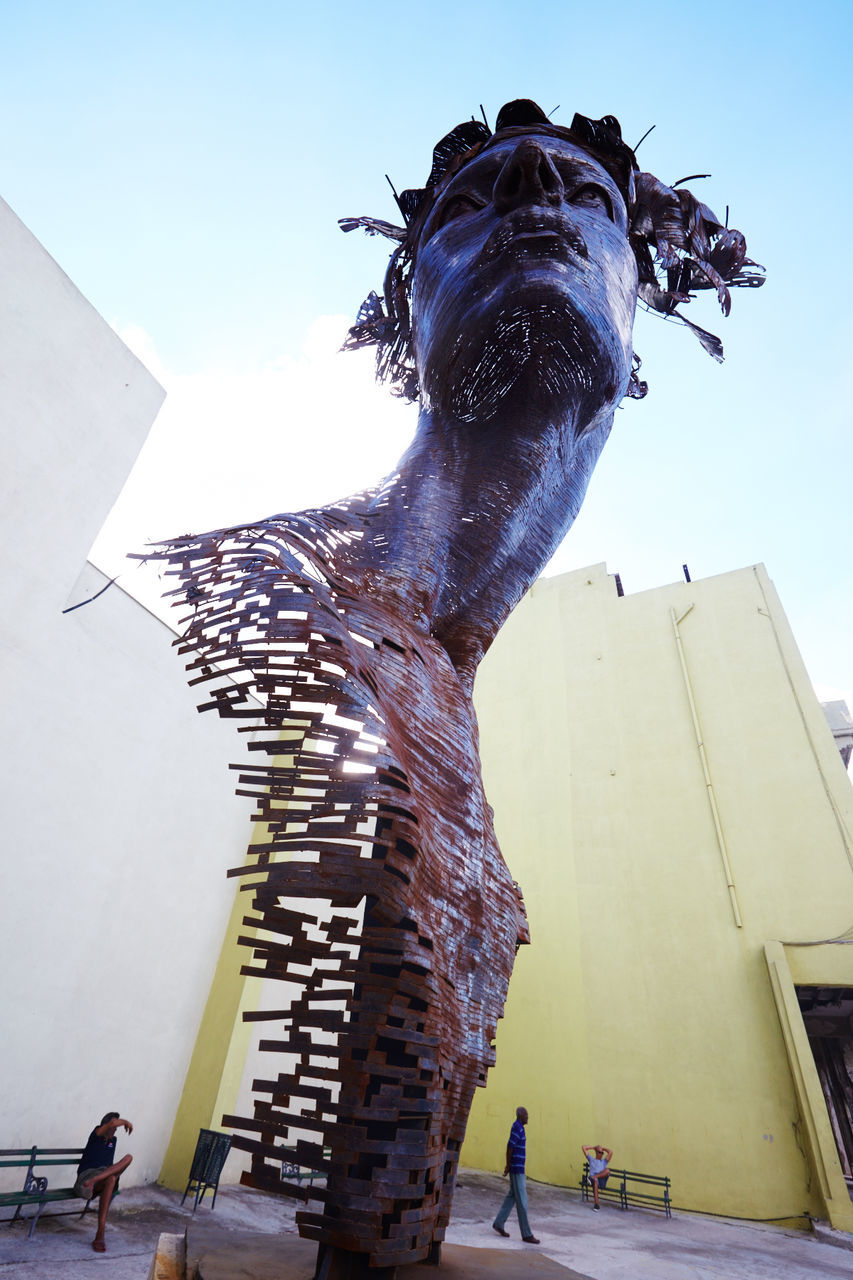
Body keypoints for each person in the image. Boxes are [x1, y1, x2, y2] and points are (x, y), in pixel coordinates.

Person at [150, 100, 761, 1277]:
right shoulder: (287, 589)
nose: (535, 189)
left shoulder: (448, 701)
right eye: (474, 203)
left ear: (639, 303)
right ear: (408, 309)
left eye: (585, 198)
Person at [73, 1112, 133, 1251]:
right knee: (111, 1179)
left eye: (116, 1128)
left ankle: (101, 1231)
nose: (115, 1129)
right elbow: (111, 1123)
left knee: (128, 1158)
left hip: (100, 1178)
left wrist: (99, 1177)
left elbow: (109, 1166)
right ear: (105, 1126)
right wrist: (126, 1122)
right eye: (113, 1127)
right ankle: (100, 1233)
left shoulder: (113, 1141)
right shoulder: (97, 1133)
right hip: (86, 1177)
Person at [492, 1106, 540, 1244]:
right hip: (516, 1169)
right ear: (520, 1115)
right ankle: (526, 1234)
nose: (528, 1117)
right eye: (526, 1115)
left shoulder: (520, 1127)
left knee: (512, 1196)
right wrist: (508, 1165)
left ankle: (499, 1223)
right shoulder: (517, 1127)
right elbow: (510, 1146)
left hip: (518, 1168)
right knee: (522, 1202)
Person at [582, 1142, 613, 1210]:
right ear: (596, 1152)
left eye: (602, 1153)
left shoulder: (604, 1162)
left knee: (607, 1170)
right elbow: (583, 1147)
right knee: (595, 1182)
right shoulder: (591, 1159)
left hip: (601, 1180)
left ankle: (591, 1178)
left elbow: (610, 1152)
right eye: (599, 1152)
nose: (601, 1154)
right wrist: (594, 1147)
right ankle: (596, 1205)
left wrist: (602, 1148)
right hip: (594, 1181)